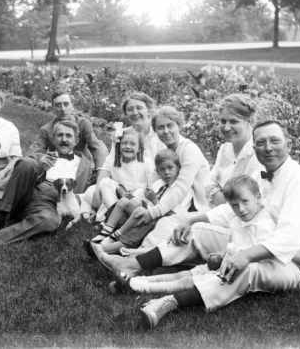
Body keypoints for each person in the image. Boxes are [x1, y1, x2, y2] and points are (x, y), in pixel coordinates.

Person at [93, 119, 300, 328]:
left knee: (245, 268)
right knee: (197, 231)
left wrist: (245, 255)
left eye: (274, 141)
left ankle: (170, 302)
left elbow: (290, 238)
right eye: (261, 142)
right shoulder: (260, 175)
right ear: (254, 146)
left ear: (287, 142)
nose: (268, 148)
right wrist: (191, 218)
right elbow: (234, 209)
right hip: (255, 237)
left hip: (298, 261)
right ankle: (130, 265)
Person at [112, 175, 275, 299]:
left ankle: (137, 286)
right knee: (182, 275)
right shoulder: (238, 218)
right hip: (224, 263)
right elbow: (231, 238)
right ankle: (134, 281)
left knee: (185, 281)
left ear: (258, 198)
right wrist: (220, 255)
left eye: (245, 202)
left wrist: (225, 259)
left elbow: (257, 256)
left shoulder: (264, 225)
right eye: (234, 205)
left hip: (235, 273)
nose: (241, 209)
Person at [0, 120, 92, 249]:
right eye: (60, 135)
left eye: (68, 136)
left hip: (51, 204)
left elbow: (86, 191)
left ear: (76, 140)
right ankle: (0, 217)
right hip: (29, 192)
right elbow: (21, 169)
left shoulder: (85, 165)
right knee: (27, 163)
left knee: (49, 221)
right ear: (53, 139)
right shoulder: (40, 156)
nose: (64, 139)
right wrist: (40, 166)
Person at [116, 106, 210, 256]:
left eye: (170, 125)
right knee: (133, 206)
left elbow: (180, 188)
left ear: (179, 125)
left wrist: (155, 211)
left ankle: (127, 248)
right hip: (171, 201)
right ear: (155, 131)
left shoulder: (189, 150)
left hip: (194, 206)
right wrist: (139, 198)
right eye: (160, 127)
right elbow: (153, 182)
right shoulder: (166, 151)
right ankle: (112, 236)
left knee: (156, 218)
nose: (165, 131)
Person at [89, 149, 193, 253]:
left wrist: (154, 200)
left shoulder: (183, 190)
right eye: (162, 169)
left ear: (178, 168)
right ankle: (105, 232)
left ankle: (107, 246)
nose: (166, 172)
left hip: (162, 221)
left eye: (170, 168)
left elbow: (175, 216)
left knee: (139, 214)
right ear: (158, 171)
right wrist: (134, 199)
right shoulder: (159, 184)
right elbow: (142, 197)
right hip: (145, 214)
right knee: (124, 202)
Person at [91, 93, 167, 212]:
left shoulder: (160, 134)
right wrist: (97, 191)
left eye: (139, 108)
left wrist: (140, 191)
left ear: (149, 110)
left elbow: (162, 168)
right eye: (130, 109)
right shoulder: (122, 135)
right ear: (125, 114)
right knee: (94, 191)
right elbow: (107, 165)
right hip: (123, 185)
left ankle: (118, 214)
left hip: (151, 187)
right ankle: (115, 211)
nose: (135, 112)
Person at [79, 126, 158, 225]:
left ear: (139, 149)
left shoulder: (146, 163)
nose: (128, 146)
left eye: (132, 144)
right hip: (120, 197)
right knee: (104, 182)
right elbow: (116, 184)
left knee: (139, 192)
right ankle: (114, 212)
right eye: (124, 143)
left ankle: (113, 218)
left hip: (138, 198)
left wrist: (135, 193)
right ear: (119, 146)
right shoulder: (114, 163)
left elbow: (151, 185)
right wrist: (122, 192)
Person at [29, 91, 108, 184]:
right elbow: (34, 153)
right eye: (58, 105)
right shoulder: (46, 130)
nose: (62, 109)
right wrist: (41, 161)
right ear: (53, 109)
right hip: (59, 172)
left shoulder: (83, 124)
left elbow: (97, 146)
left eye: (66, 104)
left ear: (72, 106)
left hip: (83, 171)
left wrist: (101, 171)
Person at [204, 94, 262, 207]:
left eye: (233, 122)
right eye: (223, 121)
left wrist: (218, 197)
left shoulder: (256, 153)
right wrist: (230, 199)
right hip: (217, 213)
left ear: (249, 121)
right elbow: (208, 184)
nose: (226, 128)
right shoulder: (224, 149)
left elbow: (247, 198)